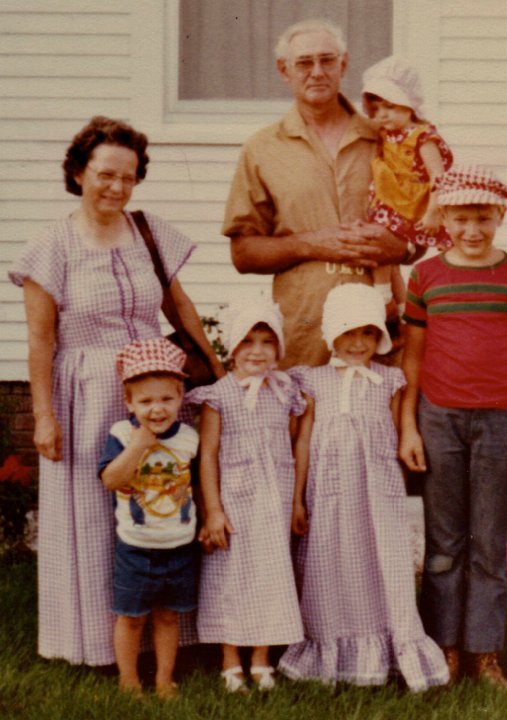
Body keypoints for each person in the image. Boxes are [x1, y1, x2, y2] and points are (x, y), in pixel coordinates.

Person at [8, 116, 224, 666]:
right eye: (106, 174)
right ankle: (96, 644)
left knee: (164, 494)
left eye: (129, 177)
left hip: (156, 386)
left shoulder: (148, 230)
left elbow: (179, 306)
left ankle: (168, 638)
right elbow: (40, 339)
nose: (117, 188)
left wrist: (214, 368)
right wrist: (43, 415)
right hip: (85, 391)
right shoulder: (50, 246)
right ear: (79, 172)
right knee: (95, 509)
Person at [399, 165, 507, 689]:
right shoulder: (426, 276)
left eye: (483, 218)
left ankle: (485, 653)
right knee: (444, 543)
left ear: (500, 215)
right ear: (444, 218)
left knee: (488, 541)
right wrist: (409, 428)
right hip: (438, 418)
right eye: (460, 218)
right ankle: (444, 648)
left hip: (500, 420)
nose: (472, 229)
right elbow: (411, 359)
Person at [223, 19, 424, 368]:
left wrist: (403, 248)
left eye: (327, 60)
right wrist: (310, 244)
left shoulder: (386, 138)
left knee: (380, 415)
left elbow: (421, 228)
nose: (317, 72)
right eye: (304, 63)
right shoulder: (262, 149)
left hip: (377, 328)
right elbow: (243, 253)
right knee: (304, 418)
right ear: (283, 70)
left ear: (344, 65)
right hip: (304, 327)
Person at [278, 284, 449, 692]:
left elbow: (393, 437)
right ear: (332, 332)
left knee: (381, 566)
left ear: (380, 337)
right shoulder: (312, 380)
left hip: (377, 497)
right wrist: (297, 497)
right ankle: (330, 652)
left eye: (368, 333)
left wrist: (393, 495)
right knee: (328, 566)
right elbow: (302, 441)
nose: (358, 343)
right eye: (349, 332)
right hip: (328, 494)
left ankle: (390, 648)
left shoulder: (389, 380)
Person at [186, 298, 306, 693]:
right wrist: (213, 510)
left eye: (267, 341)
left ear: (279, 348)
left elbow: (289, 445)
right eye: (248, 341)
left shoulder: (286, 391)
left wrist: (293, 502)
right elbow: (208, 455)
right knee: (231, 578)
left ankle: (261, 657)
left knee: (270, 576)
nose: (257, 350)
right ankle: (229, 658)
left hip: (273, 499)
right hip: (234, 499)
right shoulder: (219, 395)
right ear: (232, 347)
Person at [98, 338, 199, 698]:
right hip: (136, 548)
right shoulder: (122, 434)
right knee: (131, 617)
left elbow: (195, 485)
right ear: (129, 403)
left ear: (180, 397)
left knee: (169, 616)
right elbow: (111, 479)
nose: (157, 409)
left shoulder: (188, 437)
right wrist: (140, 445)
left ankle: (163, 679)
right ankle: (129, 680)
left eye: (166, 399)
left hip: (179, 545)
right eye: (145, 401)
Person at [361, 54, 453, 328]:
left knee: (381, 249)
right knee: (390, 260)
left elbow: (439, 176)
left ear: (409, 105)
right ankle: (403, 310)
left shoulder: (422, 137)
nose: (382, 115)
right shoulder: (386, 135)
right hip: (390, 199)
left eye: (390, 106)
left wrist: (433, 213)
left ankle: (381, 300)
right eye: (376, 109)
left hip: (413, 204)